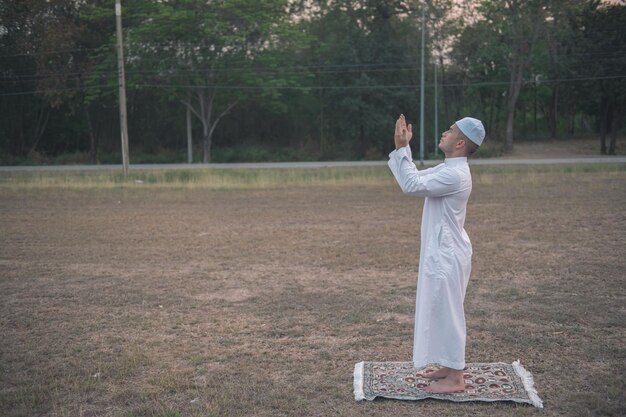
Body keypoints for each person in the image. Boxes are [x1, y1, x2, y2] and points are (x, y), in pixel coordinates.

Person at [387, 114, 485, 394]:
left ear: (460, 143)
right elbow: (415, 178)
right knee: (440, 310)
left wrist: (402, 147)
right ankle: (448, 365)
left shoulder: (453, 174)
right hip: (444, 252)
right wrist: (402, 148)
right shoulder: (449, 169)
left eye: (451, 131)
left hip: (448, 254)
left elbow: (411, 185)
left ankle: (456, 378)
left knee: (449, 313)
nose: (445, 132)